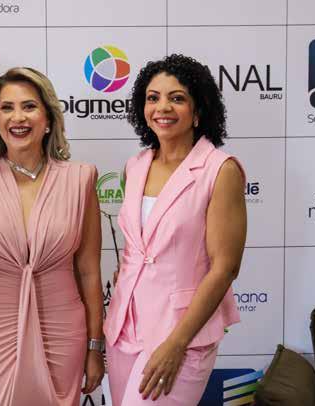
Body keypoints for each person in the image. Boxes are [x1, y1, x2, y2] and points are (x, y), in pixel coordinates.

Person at [0, 67, 105, 405]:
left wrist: (95, 347)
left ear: (48, 118)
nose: (18, 117)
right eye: (7, 107)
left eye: (29, 106)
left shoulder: (80, 180)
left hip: (61, 332)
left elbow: (89, 271)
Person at [104, 54, 247, 405]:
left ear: (198, 110)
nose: (162, 107)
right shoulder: (135, 166)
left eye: (177, 98)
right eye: (153, 97)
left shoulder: (220, 170)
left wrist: (177, 343)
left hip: (180, 332)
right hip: (124, 328)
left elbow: (225, 267)